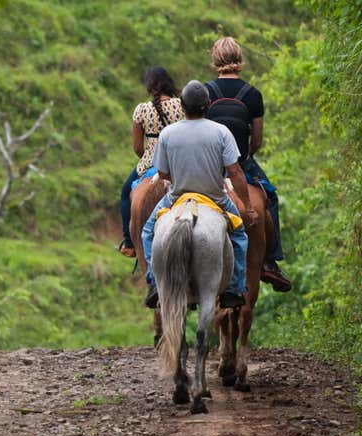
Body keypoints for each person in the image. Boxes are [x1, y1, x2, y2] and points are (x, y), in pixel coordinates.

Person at [141, 80, 258, 309]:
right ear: (208, 105)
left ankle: (154, 281)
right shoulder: (221, 132)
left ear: (182, 106)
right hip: (215, 198)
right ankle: (234, 288)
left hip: (176, 197)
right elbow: (235, 172)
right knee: (239, 235)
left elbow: (162, 173)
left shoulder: (168, 133)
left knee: (147, 232)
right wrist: (248, 206)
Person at [205, 37, 292, 292]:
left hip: (211, 167)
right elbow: (258, 140)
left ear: (215, 59)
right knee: (270, 197)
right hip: (242, 163)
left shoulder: (205, 92)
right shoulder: (252, 95)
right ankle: (270, 262)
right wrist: (242, 157)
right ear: (239, 58)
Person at [118, 67, 184, 258]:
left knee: (125, 193)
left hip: (151, 163)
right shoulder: (182, 105)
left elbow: (138, 148)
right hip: (178, 163)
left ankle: (129, 244)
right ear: (168, 82)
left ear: (149, 86)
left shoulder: (142, 109)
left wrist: (148, 157)